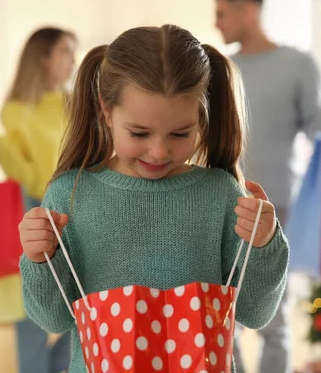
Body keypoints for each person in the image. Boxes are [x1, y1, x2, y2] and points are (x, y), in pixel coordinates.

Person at [16, 24, 290, 373]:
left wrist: (265, 244)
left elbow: (255, 313)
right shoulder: (71, 195)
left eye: (180, 133)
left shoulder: (221, 194)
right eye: (139, 133)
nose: (159, 151)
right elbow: (52, 319)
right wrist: (39, 260)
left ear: (201, 119)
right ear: (105, 110)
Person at [215, 0, 321, 373]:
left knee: (274, 317)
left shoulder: (298, 64)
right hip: (223, 203)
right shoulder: (220, 66)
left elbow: (318, 129)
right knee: (225, 315)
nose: (215, 23)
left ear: (247, 11)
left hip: (278, 205)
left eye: (221, 13)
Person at [0, 26, 78, 373]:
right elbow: (29, 175)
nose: (73, 61)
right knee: (31, 311)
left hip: (78, 208)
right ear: (44, 58)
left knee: (84, 308)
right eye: (66, 52)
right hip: (37, 208)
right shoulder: (16, 111)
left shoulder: (74, 105)